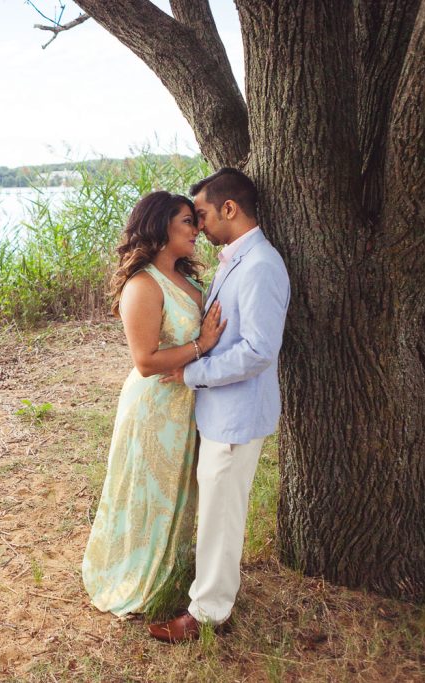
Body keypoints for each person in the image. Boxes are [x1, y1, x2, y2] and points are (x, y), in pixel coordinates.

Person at [149, 168, 290, 642]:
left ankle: (208, 613)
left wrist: (193, 373)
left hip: (237, 413)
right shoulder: (236, 259)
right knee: (216, 510)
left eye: (204, 214)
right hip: (221, 411)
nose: (200, 225)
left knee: (222, 515)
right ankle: (210, 598)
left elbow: (258, 349)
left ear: (230, 209)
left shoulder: (261, 265)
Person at [82, 190, 226, 616]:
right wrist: (202, 344)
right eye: (187, 221)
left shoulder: (187, 279)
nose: (197, 228)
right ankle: (135, 577)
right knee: (147, 492)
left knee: (178, 492)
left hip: (185, 406)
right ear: (161, 226)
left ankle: (171, 574)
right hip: (154, 406)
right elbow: (145, 361)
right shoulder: (143, 284)